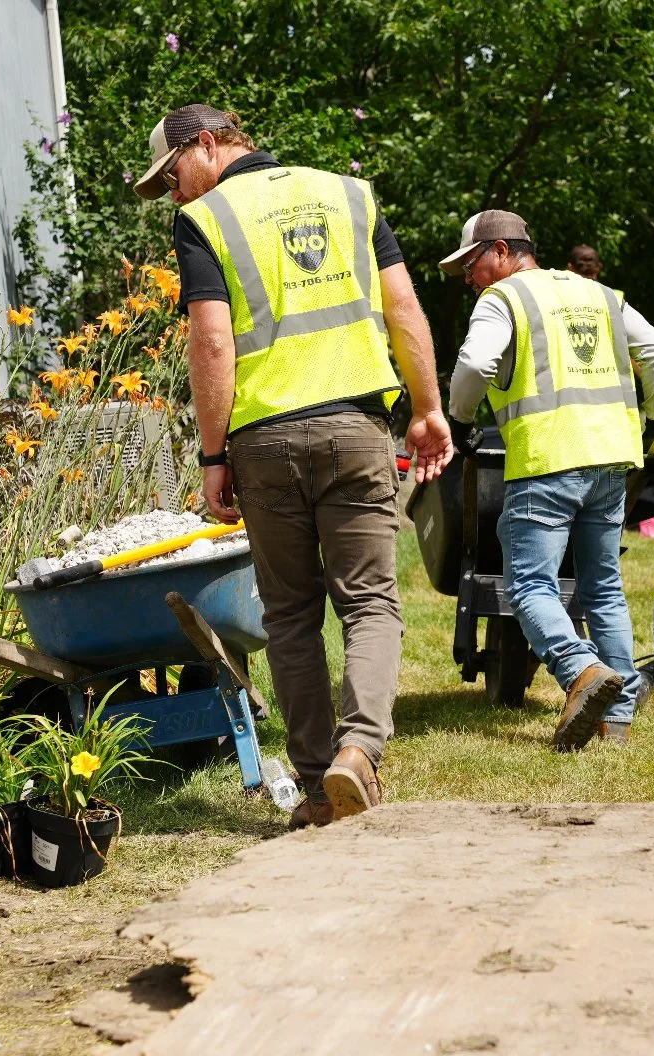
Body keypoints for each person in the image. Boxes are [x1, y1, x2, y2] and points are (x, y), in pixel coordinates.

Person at [133, 105, 453, 825]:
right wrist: (428, 409)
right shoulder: (351, 194)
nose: (176, 194)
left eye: (174, 175)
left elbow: (212, 345)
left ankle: (317, 788)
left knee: (290, 615)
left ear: (207, 146)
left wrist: (213, 455)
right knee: (370, 600)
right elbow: (403, 307)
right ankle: (359, 752)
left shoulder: (207, 220)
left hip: (264, 443)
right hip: (358, 430)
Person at [439, 211, 654, 749]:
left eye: (472, 264)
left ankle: (580, 672)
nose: (470, 278)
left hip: (548, 458)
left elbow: (474, 365)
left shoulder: (504, 299)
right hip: (611, 458)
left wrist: (459, 420)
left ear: (500, 251)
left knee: (527, 585)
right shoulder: (601, 295)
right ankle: (617, 722)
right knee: (603, 587)